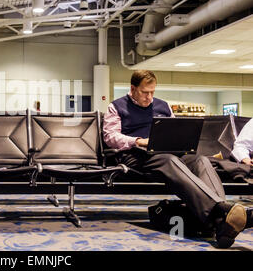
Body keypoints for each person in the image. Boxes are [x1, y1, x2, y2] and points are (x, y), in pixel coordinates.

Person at [103, 70, 252, 248]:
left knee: (200, 160)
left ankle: (222, 222)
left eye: (152, 92)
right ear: (133, 89)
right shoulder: (117, 106)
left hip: (167, 153)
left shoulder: (163, 106)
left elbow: (175, 129)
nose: (149, 97)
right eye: (145, 92)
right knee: (168, 160)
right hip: (135, 156)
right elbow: (110, 137)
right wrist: (138, 141)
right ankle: (223, 211)